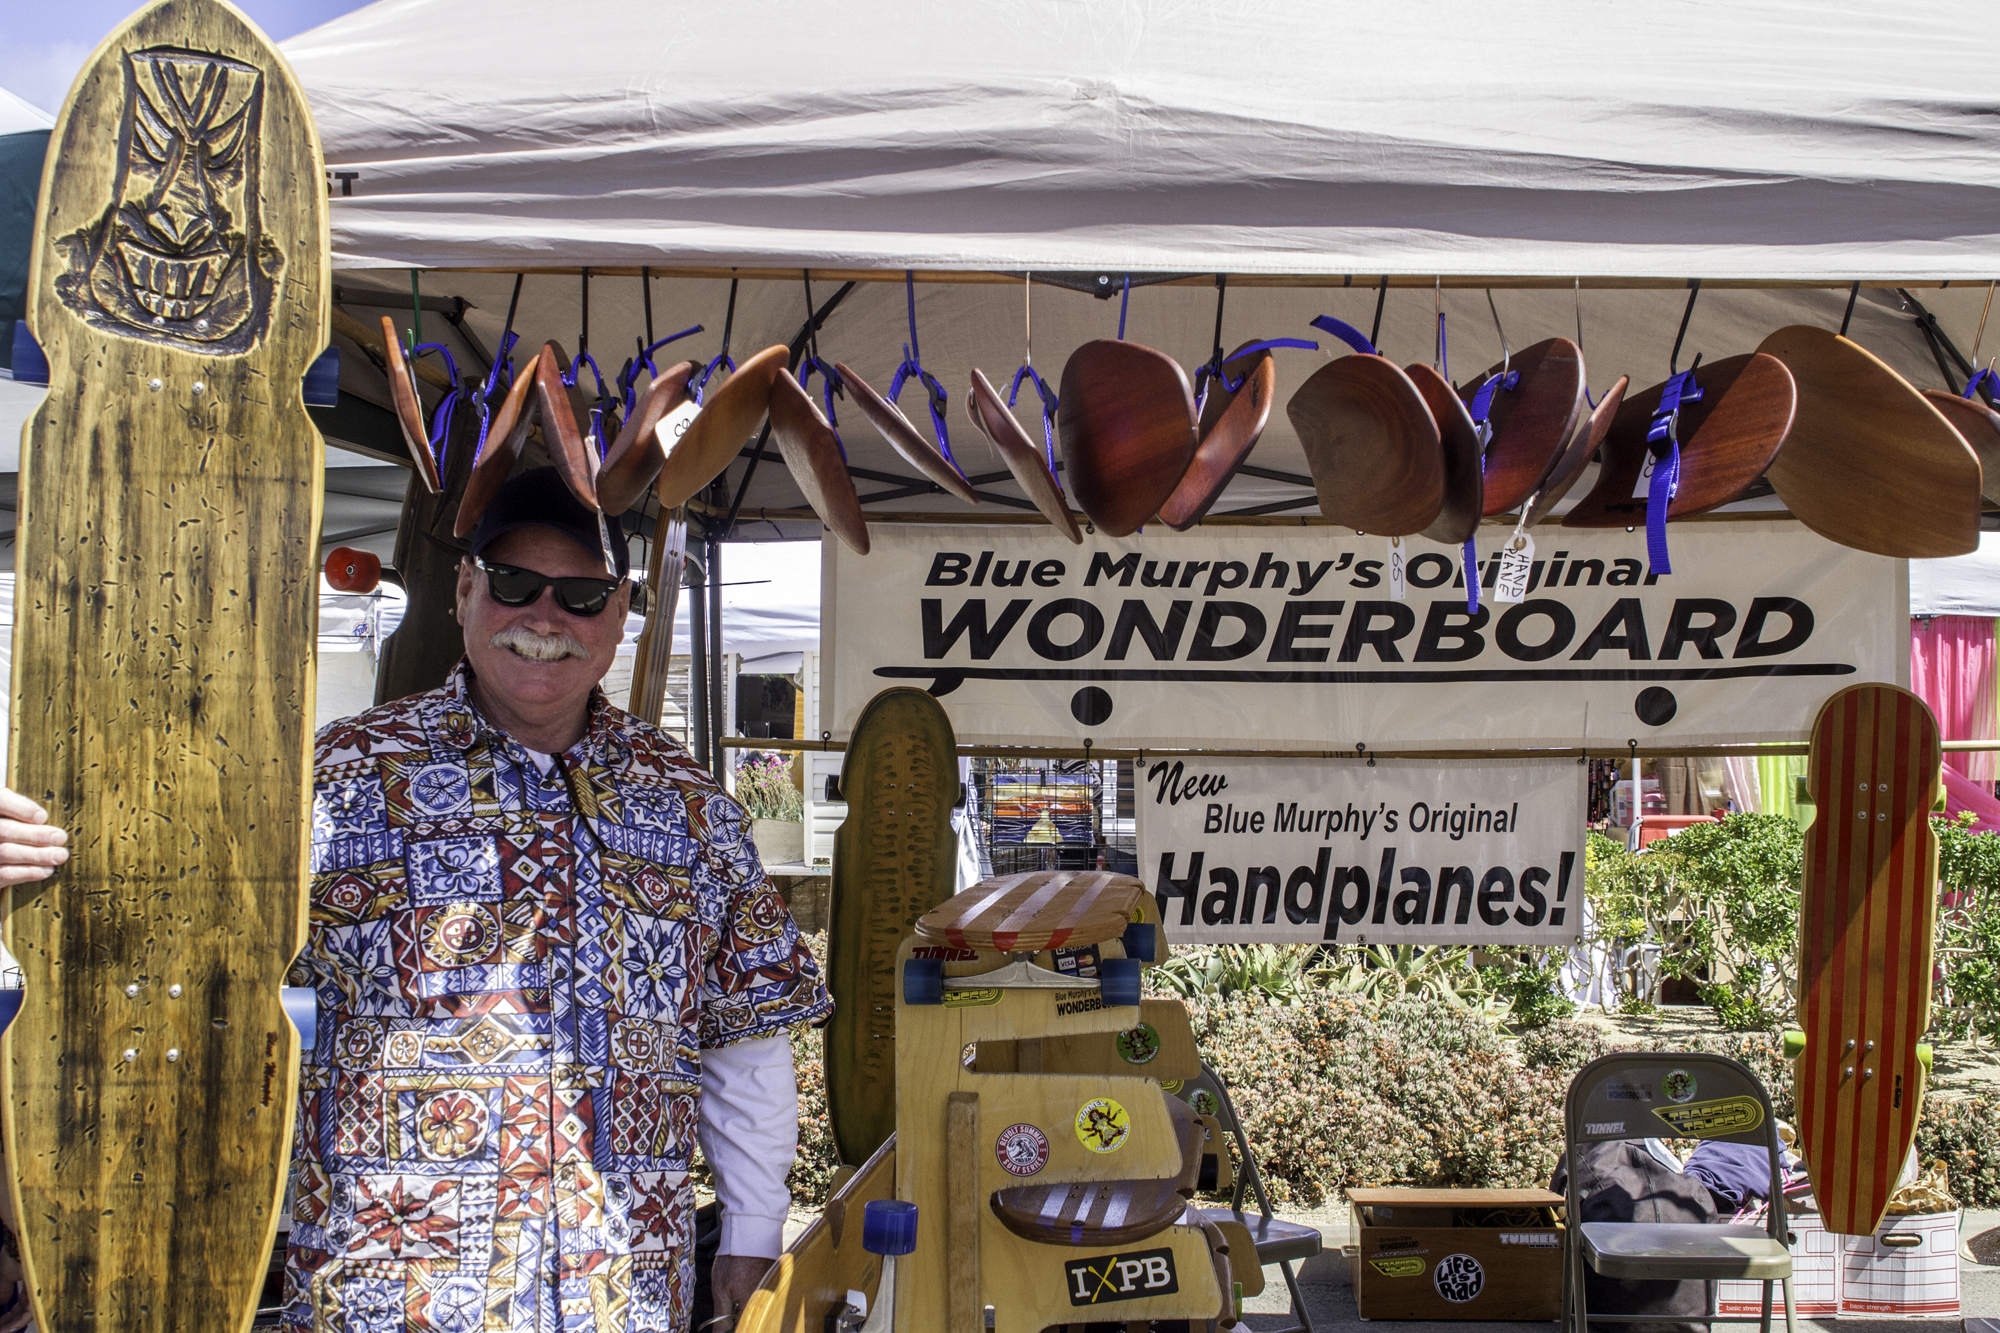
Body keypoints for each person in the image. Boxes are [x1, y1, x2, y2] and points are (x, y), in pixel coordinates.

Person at [0, 467, 830, 1333]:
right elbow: (154, 930)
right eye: (514, 583)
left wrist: (751, 1231)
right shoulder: (333, 780)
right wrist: (33, 862)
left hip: (621, 1297)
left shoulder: (690, 809)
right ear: (464, 590)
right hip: (391, 1299)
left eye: (582, 595)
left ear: (620, 614)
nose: (546, 617)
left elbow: (746, 1035)